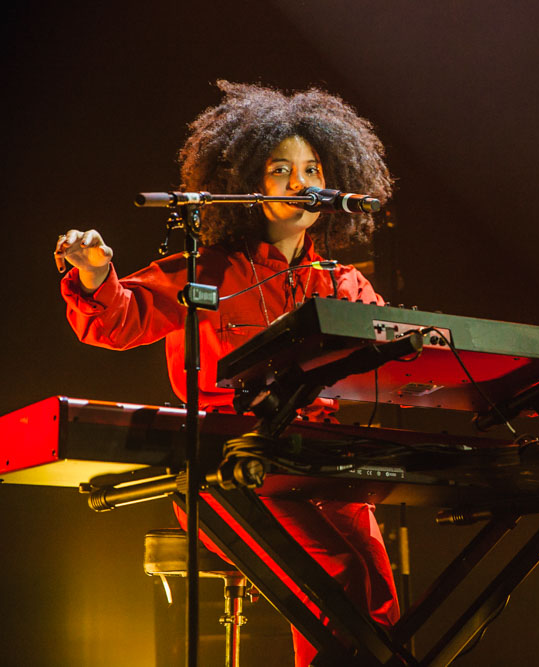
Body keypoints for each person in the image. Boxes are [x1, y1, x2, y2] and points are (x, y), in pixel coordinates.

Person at [55, 81, 398, 666]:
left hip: (322, 463)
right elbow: (120, 319)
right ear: (245, 183)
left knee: (379, 596)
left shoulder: (342, 283)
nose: (301, 183)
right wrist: (94, 274)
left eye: (312, 170)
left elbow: (400, 355)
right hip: (231, 467)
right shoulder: (208, 270)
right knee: (337, 573)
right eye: (281, 170)